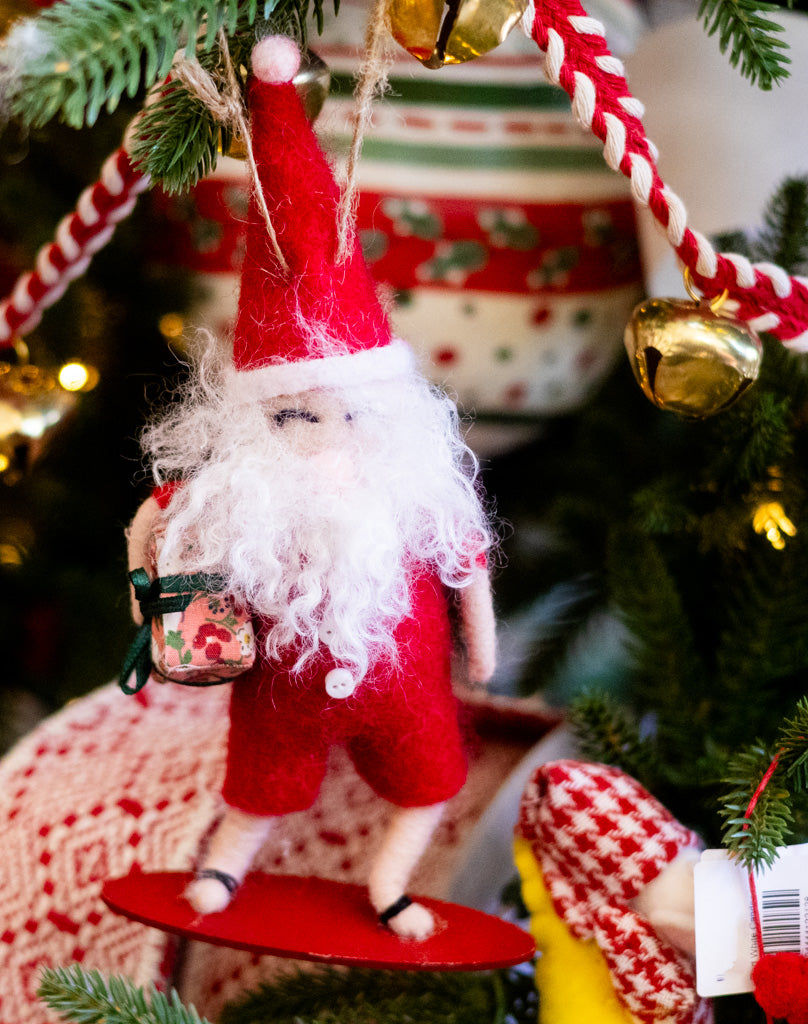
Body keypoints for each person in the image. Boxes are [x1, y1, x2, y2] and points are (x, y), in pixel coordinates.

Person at [125, 36, 497, 940]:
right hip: (276, 695)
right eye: (296, 418)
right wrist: (145, 600)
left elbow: (466, 565)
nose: (328, 435)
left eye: (350, 416)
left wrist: (481, 651)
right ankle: (223, 862)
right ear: (255, 421)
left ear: (392, 411)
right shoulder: (237, 496)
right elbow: (155, 524)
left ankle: (391, 883)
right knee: (262, 784)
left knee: (429, 778)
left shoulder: (417, 489)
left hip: (407, 688)